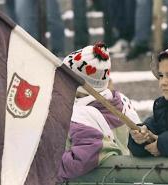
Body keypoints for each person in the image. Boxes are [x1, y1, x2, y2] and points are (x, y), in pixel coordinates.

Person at [57, 42, 141, 182]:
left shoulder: (81, 114)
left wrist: (48, 164)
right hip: (122, 178)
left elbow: (82, 157)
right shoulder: (122, 103)